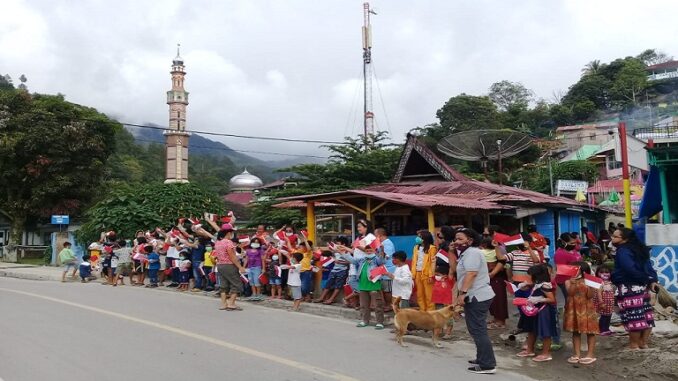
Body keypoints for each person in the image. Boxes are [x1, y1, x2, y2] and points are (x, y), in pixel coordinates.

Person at [454, 228, 496, 374]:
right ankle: (482, 358)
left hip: (477, 295)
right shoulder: (467, 253)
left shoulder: (472, 253)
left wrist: (462, 293)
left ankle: (488, 364)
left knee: (478, 330)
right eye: (455, 239)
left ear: (470, 240)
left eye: (460, 239)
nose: (456, 242)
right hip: (476, 295)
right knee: (475, 329)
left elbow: (471, 274)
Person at [611, 228, 658, 350]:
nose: (612, 238)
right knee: (646, 316)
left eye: (615, 237)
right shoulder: (640, 250)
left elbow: (629, 269)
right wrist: (651, 280)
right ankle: (643, 343)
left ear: (625, 239)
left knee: (634, 318)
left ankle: (634, 345)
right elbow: (649, 267)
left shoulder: (623, 251)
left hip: (629, 288)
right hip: (642, 288)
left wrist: (645, 279)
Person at [341, 236, 386, 330]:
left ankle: (380, 322)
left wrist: (381, 250)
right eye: (367, 250)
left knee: (378, 305)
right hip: (363, 285)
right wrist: (343, 254)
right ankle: (364, 321)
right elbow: (352, 260)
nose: (368, 252)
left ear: (374, 251)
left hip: (374, 285)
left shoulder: (376, 259)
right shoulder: (362, 259)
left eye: (370, 250)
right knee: (363, 305)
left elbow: (382, 260)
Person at [516, 264, 557, 363]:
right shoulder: (537, 284)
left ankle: (546, 353)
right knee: (532, 330)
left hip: (544, 311)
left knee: (545, 332)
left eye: (529, 275)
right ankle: (529, 350)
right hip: (535, 310)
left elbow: (552, 299)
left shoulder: (545, 285)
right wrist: (525, 286)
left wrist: (539, 299)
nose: (528, 276)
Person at [564, 262, 599, 365]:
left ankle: (590, 354)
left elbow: (590, 295)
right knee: (575, 331)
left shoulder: (589, 280)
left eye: (575, 269)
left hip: (587, 308)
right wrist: (573, 283)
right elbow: (570, 293)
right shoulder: (568, 281)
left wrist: (592, 286)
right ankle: (577, 354)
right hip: (573, 308)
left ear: (582, 270)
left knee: (591, 331)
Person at [213, 225, 247, 311]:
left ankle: (224, 304)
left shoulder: (218, 242)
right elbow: (232, 257)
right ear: (228, 233)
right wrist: (240, 267)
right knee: (236, 284)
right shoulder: (228, 243)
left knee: (223, 285)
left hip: (220, 265)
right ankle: (231, 303)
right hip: (229, 265)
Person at [481, 238, 507, 329]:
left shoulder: (499, 251)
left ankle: (500, 321)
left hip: (496, 277)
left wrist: (492, 273)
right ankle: (496, 319)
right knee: (492, 300)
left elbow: (502, 262)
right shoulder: (483, 252)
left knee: (498, 300)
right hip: (490, 278)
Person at [411, 230, 437, 312]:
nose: (417, 238)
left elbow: (432, 263)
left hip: (426, 274)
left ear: (425, 238)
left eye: (420, 237)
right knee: (419, 294)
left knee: (429, 294)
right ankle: (422, 310)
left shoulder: (432, 248)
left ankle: (430, 311)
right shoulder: (416, 248)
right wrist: (413, 274)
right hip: (418, 273)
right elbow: (414, 261)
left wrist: (431, 275)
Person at [553, 233, 581, 303]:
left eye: (575, 242)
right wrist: (579, 270)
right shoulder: (560, 254)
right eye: (572, 243)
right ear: (563, 242)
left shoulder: (573, 250)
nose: (574, 244)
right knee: (570, 301)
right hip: (565, 281)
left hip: (576, 279)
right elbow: (562, 270)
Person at [432, 262, 455, 339]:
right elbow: (432, 272)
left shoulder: (449, 280)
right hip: (437, 301)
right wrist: (433, 262)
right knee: (438, 317)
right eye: (436, 274)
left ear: (445, 275)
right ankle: (440, 331)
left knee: (448, 318)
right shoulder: (436, 280)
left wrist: (452, 263)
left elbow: (451, 272)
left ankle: (448, 333)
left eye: (438, 275)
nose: (436, 276)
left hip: (446, 303)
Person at [375, 228, 395, 312]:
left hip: (388, 270)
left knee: (387, 290)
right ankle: (386, 304)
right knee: (383, 289)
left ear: (379, 235)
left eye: (376, 235)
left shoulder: (387, 244)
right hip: (382, 270)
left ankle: (389, 305)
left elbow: (384, 258)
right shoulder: (382, 244)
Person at [593, 264, 615, 336]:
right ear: (598, 273)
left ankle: (606, 329)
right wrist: (601, 302)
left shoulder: (610, 282)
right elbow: (599, 293)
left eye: (607, 272)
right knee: (603, 316)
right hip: (603, 302)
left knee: (609, 315)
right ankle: (601, 329)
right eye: (602, 272)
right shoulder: (599, 282)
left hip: (610, 303)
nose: (604, 274)